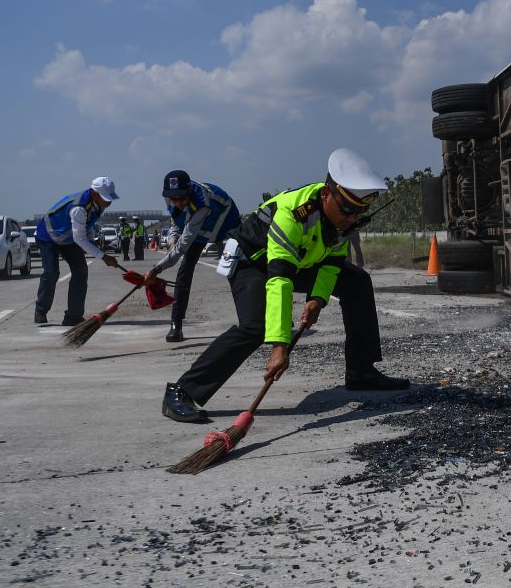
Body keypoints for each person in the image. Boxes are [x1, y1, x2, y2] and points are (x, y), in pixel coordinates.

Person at [161, 148, 409, 422]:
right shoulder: (293, 214)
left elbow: (333, 262)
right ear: (326, 195)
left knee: (357, 282)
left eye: (358, 213)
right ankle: (181, 392)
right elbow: (280, 280)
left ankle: (361, 371)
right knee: (256, 327)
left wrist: (318, 298)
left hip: (299, 260)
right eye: (348, 211)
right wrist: (279, 345)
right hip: (252, 261)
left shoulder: (341, 215)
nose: (352, 219)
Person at [144, 171, 241, 343]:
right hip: (200, 231)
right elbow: (176, 221)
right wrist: (172, 240)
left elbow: (185, 241)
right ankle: (176, 324)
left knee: (233, 270)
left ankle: (250, 321)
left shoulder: (202, 203)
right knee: (185, 270)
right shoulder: (172, 198)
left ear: (189, 190)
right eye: (173, 199)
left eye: (181, 198)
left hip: (226, 229)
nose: (178, 203)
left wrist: (157, 268)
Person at [34, 177, 121, 325]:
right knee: (51, 273)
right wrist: (104, 256)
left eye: (110, 198)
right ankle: (40, 310)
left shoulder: (98, 204)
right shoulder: (79, 208)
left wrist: (92, 238)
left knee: (80, 272)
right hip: (48, 237)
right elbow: (80, 239)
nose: (109, 202)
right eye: (106, 198)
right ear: (94, 193)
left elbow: (86, 228)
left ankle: (73, 316)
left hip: (69, 239)